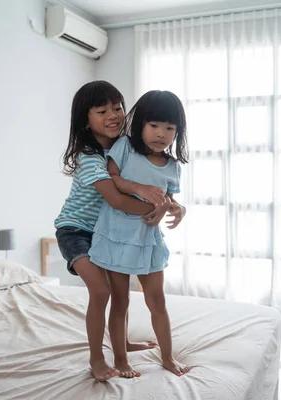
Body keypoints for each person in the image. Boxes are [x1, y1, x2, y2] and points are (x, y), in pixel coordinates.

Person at [54, 81, 173, 381]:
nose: (113, 115)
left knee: (122, 296)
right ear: (85, 119)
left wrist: (168, 203)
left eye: (118, 107)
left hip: (106, 232)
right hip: (76, 231)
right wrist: (154, 207)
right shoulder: (89, 157)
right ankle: (96, 359)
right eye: (101, 110)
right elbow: (117, 199)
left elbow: (150, 183)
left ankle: (124, 343)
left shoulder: (125, 147)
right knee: (101, 290)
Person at [89, 90, 190, 377]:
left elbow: (168, 197)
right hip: (117, 237)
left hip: (148, 241)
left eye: (170, 128)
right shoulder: (125, 147)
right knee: (120, 301)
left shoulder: (172, 166)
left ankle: (168, 358)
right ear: (141, 124)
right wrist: (140, 188)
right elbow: (114, 180)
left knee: (157, 300)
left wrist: (178, 208)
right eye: (155, 125)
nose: (161, 134)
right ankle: (120, 360)